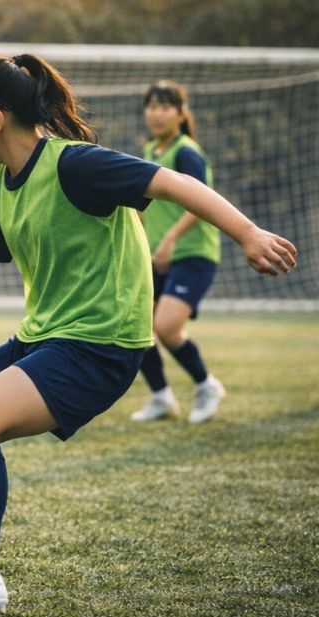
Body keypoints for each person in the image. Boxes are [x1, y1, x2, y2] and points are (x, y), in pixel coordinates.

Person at [0, 54, 295, 614]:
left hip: (103, 343)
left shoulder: (76, 165)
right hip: (46, 335)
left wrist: (248, 232)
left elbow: (174, 183)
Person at [130, 81, 225, 424]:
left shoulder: (186, 152)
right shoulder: (149, 152)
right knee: (137, 328)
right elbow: (141, 208)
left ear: (181, 113)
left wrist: (169, 239)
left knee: (166, 328)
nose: (157, 114)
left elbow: (200, 203)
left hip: (191, 253)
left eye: (165, 107)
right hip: (156, 256)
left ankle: (206, 386)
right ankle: (161, 398)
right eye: (152, 106)